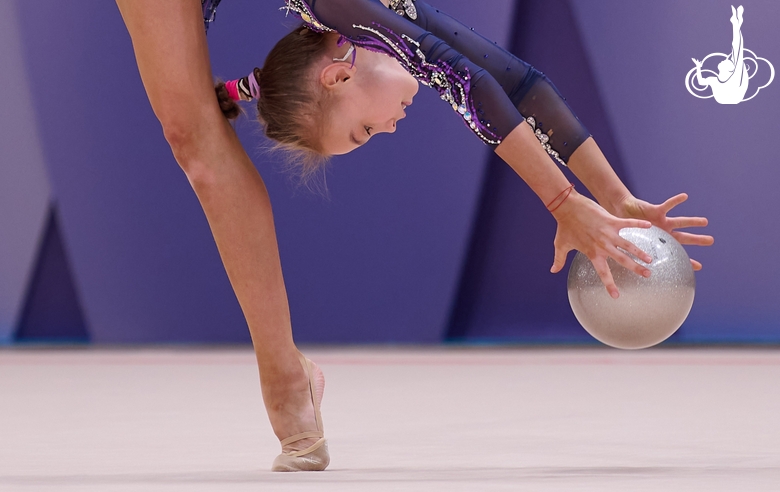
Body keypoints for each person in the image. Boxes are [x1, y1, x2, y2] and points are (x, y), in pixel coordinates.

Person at [117, 0, 712, 473]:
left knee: (191, 127)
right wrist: (588, 199)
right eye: (369, 132)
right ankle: (284, 369)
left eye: (364, 128)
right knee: (187, 130)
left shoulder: (343, 5)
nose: (389, 127)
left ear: (339, 72)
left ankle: (282, 376)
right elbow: (504, 81)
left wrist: (593, 199)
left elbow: (487, 82)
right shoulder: (361, 16)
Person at [692, 5, 748, 104]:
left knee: (737, 51)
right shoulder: (715, 80)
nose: (724, 59)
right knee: (737, 52)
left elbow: (737, 49)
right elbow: (701, 82)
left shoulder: (732, 77)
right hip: (730, 97)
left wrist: (698, 67)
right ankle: (736, 24)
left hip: (733, 96)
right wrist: (698, 67)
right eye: (728, 61)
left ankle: (736, 24)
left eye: (727, 61)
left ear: (729, 69)